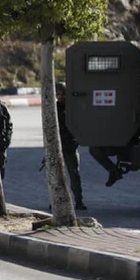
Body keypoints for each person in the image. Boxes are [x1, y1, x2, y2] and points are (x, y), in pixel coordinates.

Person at [56, 82, 87, 210]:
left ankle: (79, 200)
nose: (59, 96)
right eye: (57, 94)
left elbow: (80, 126)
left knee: (74, 174)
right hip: (57, 146)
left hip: (70, 146)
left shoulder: (73, 108)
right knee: (56, 175)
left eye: (62, 93)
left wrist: (75, 141)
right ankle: (57, 200)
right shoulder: (55, 108)